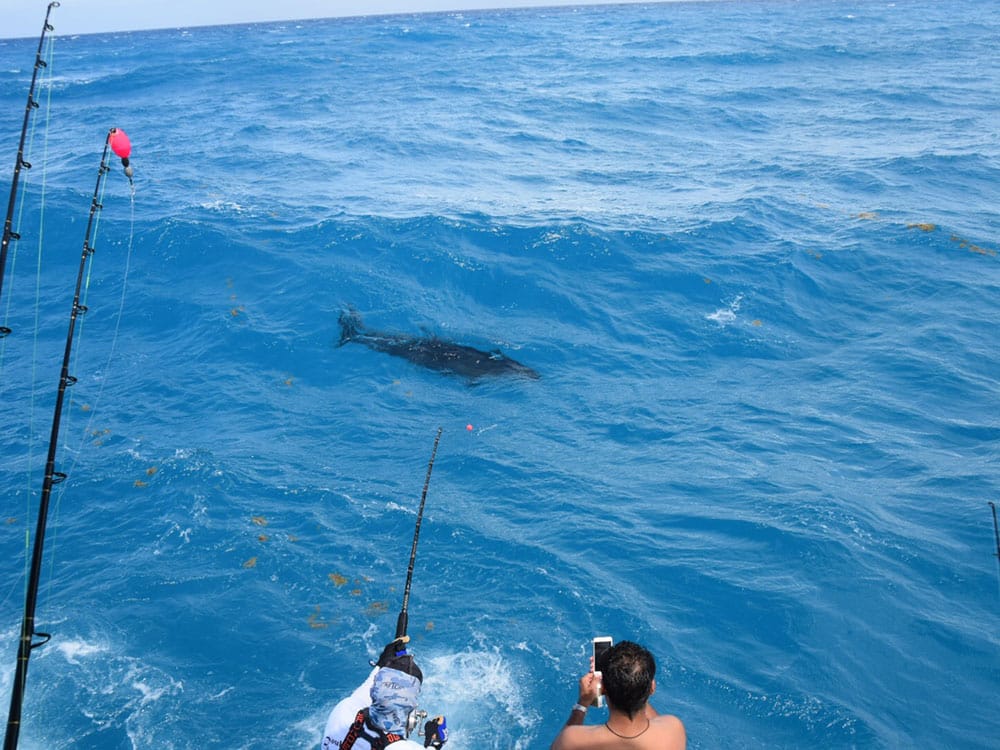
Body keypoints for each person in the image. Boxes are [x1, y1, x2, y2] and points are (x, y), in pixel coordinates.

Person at [550, 640, 686, 750]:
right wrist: (634, 685)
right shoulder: (674, 729)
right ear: (652, 687)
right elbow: (657, 720)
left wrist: (583, 703)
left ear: (602, 689)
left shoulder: (572, 740)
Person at [322, 636, 448, 750]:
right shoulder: (401, 747)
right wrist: (436, 741)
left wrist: (385, 662)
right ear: (410, 715)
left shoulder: (343, 711)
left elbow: (368, 688)